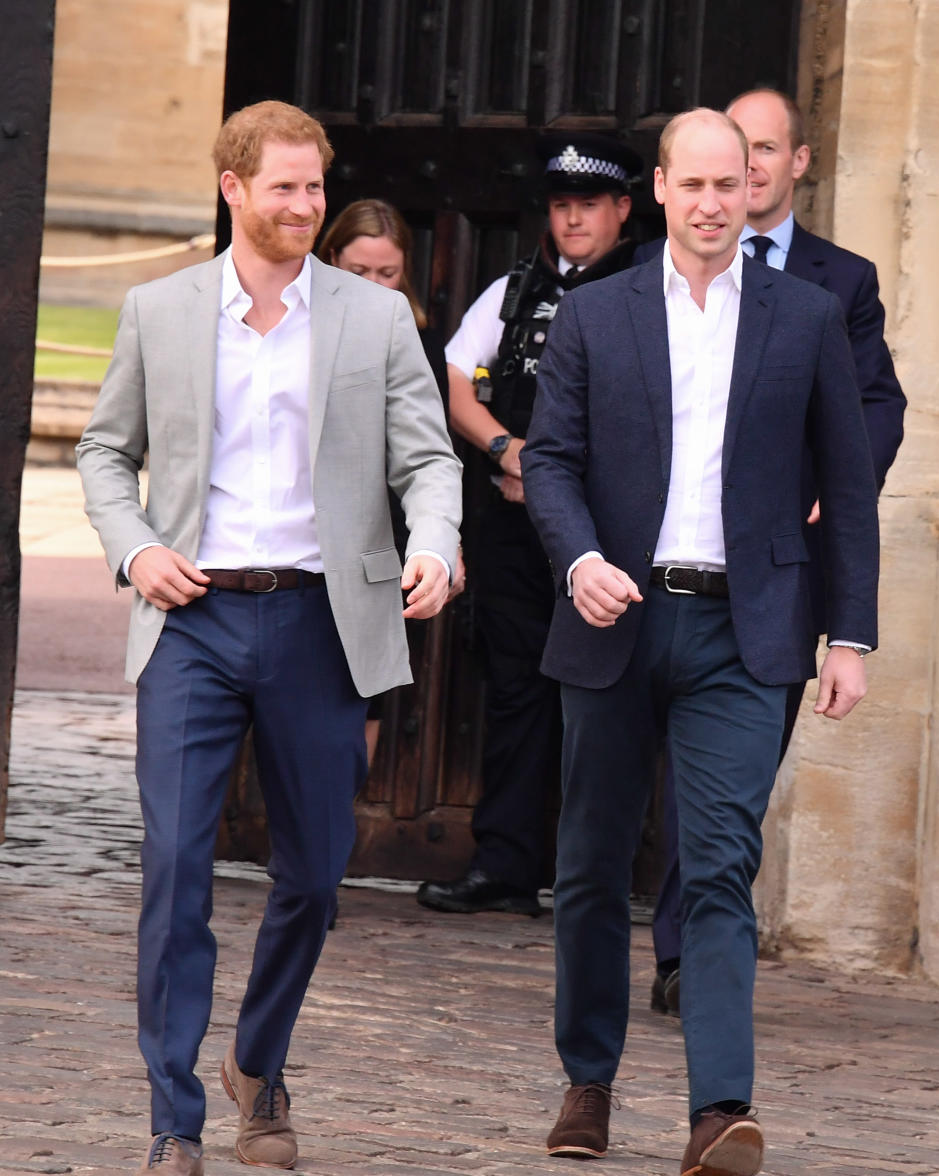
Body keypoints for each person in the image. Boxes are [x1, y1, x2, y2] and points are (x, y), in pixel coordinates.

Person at [76, 101, 461, 1176]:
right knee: (176, 867)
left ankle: (259, 1055)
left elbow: (427, 460)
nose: (304, 205)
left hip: (320, 619)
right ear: (232, 187)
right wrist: (135, 549)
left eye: (314, 186)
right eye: (284, 186)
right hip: (190, 618)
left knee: (315, 873)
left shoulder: (372, 320)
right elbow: (107, 453)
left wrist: (437, 541)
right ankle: (174, 1121)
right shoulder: (159, 310)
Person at [521, 108, 879, 1174]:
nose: (718, 203)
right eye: (699, 185)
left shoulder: (807, 317)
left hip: (746, 630)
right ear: (662, 193)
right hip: (615, 619)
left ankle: (719, 1110)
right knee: (589, 864)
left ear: (757, 190)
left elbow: (849, 489)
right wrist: (579, 559)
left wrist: (849, 635)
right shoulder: (599, 313)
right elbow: (550, 460)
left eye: (736, 183)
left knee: (721, 863)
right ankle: (587, 1081)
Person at [638, 87, 907, 1018]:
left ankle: (701, 949)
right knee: (662, 784)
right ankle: (679, 950)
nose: (740, 174)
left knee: (729, 789)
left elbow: (879, 405)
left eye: (759, 151)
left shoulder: (841, 282)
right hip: (664, 576)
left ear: (795, 162)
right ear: (672, 184)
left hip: (776, 575)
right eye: (719, 160)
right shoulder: (649, 284)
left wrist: (841, 481)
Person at [416, 132, 642, 917]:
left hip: (609, 535)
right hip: (514, 534)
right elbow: (452, 381)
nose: (573, 220)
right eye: (560, 206)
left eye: (588, 205)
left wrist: (560, 484)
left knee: (603, 702)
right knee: (516, 692)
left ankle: (592, 881)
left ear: (622, 209)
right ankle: (507, 867)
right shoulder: (516, 290)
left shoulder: (653, 290)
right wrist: (509, 450)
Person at [318, 198, 466, 766]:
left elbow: (434, 453)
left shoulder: (422, 343)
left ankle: (341, 816)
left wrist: (447, 540)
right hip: (312, 535)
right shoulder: (293, 331)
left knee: (369, 690)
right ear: (330, 257)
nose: (376, 287)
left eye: (388, 273)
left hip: (394, 540)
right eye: (360, 272)